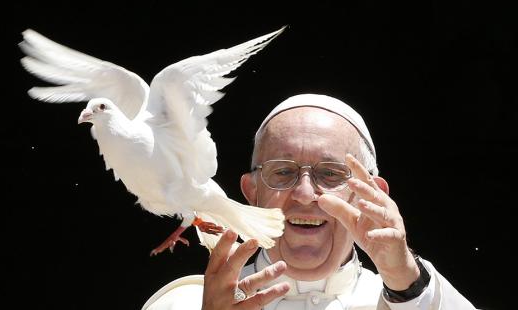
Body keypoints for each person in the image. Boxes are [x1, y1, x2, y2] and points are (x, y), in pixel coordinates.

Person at [142, 94, 478, 309]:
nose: (304, 195)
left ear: (369, 195)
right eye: (283, 172)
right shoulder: (187, 303)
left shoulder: (418, 301)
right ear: (251, 191)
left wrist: (408, 283)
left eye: (330, 174)